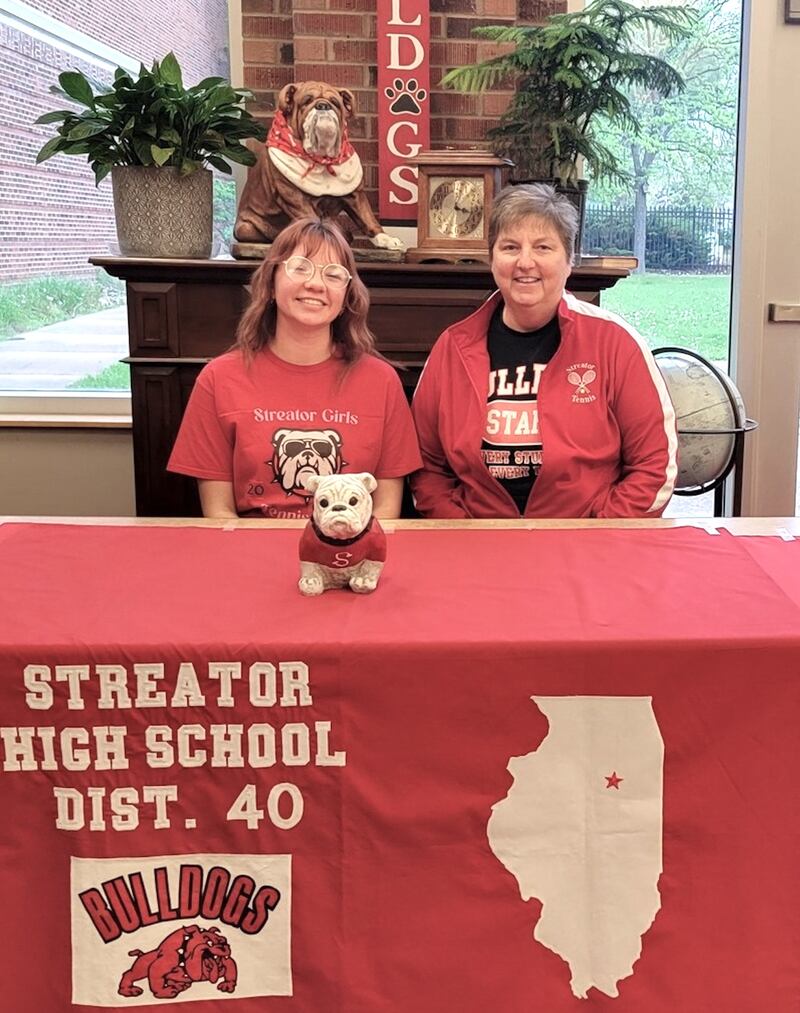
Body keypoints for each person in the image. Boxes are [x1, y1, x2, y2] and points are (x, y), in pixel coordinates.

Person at [410, 184, 677, 519]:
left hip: (587, 543)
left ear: (569, 260)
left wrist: (600, 533)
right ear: (492, 259)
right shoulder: (452, 348)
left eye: (543, 247)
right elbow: (426, 466)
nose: (525, 262)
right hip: (478, 541)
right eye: (509, 247)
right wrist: (460, 531)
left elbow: (655, 465)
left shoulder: (615, 343)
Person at [168, 217, 421, 519]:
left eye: (333, 274)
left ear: (345, 296)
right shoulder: (219, 379)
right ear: (271, 283)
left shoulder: (381, 381)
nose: (315, 284)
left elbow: (385, 512)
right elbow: (219, 514)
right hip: (251, 555)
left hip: (351, 557)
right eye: (300, 267)